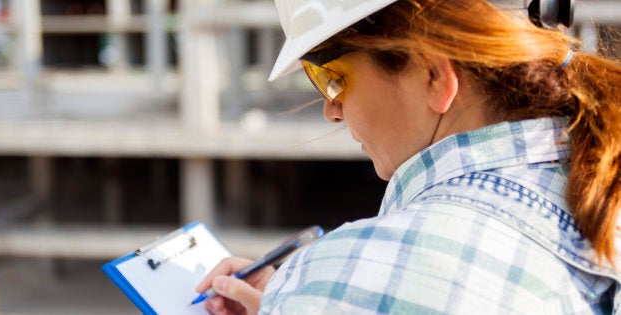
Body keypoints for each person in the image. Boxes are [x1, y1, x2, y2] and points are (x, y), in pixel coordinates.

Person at [196, 0, 621, 313]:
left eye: (329, 75)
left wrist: (315, 293)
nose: (331, 109)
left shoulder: (342, 274)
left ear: (433, 74)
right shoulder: (602, 185)